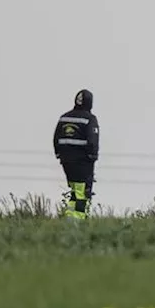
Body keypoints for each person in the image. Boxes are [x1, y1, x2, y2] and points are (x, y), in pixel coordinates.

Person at [53, 89, 100, 219]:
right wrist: (92, 157)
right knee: (82, 194)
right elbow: (92, 141)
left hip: (66, 162)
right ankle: (78, 221)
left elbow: (56, 138)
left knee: (75, 192)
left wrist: (59, 155)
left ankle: (69, 217)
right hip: (83, 163)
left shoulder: (64, 117)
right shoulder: (90, 119)